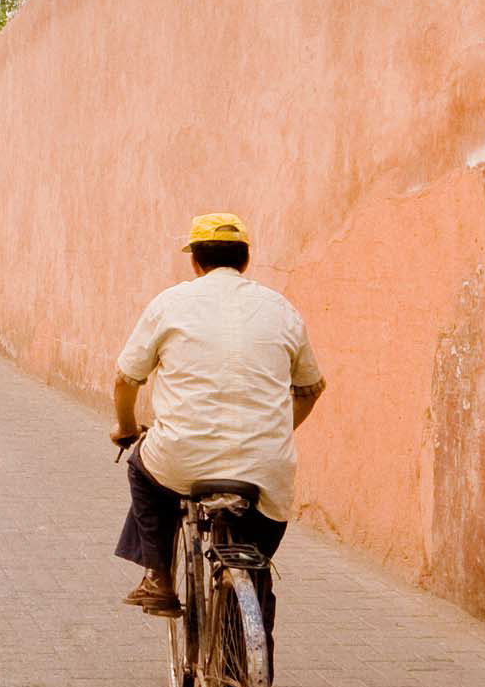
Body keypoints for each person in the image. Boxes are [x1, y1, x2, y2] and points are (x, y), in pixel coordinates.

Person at [110, 213, 325, 619]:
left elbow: (126, 379)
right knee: (257, 561)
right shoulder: (281, 309)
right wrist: (275, 431)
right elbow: (311, 388)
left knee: (141, 468)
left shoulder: (170, 304)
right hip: (264, 467)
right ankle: (252, 617)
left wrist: (125, 427)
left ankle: (158, 577)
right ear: (245, 260)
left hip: (181, 456)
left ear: (195, 261)